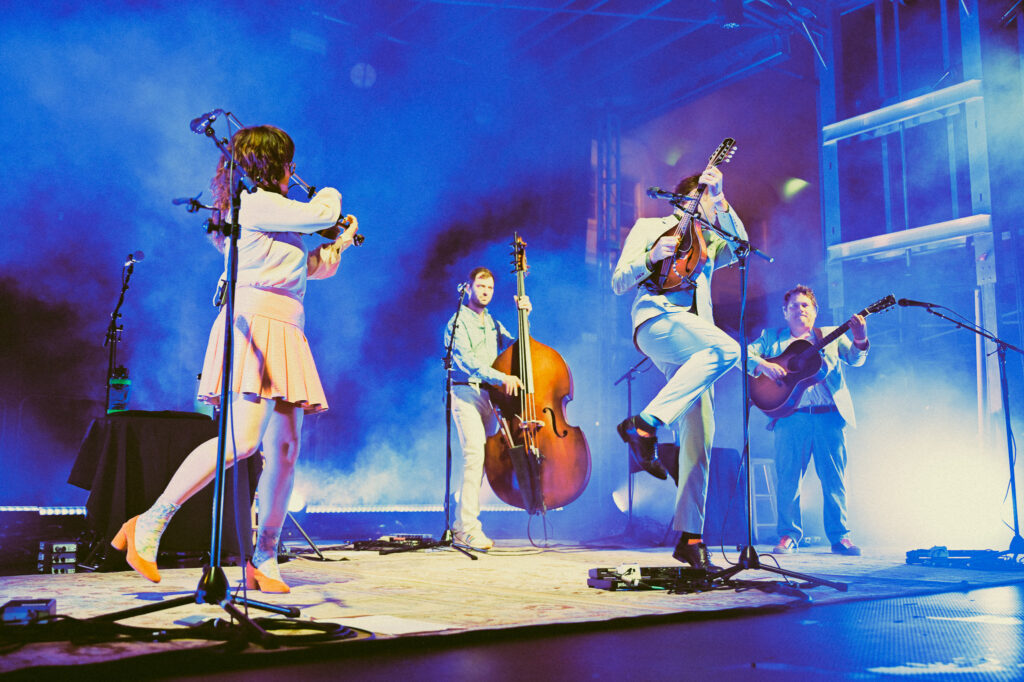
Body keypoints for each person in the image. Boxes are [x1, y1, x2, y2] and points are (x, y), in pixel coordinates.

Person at [110, 125, 359, 592]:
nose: (293, 171)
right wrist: (331, 196)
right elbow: (322, 211)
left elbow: (298, 270)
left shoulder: (276, 214)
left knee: (285, 451)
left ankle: (264, 557)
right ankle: (149, 522)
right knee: (242, 440)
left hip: (287, 327)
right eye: (289, 163)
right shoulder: (256, 204)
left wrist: (340, 244)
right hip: (254, 325)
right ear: (275, 164)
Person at [611, 166, 746, 572]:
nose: (712, 210)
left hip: (694, 342)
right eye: (706, 200)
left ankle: (690, 537)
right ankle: (645, 423)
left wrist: (721, 198)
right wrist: (650, 257)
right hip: (656, 321)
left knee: (700, 435)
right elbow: (618, 281)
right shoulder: (650, 226)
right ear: (689, 199)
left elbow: (741, 247)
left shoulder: (710, 241)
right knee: (728, 349)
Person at [746, 284, 868, 557]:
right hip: (791, 418)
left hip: (829, 417)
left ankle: (840, 537)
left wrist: (860, 338)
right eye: (793, 306)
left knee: (835, 480)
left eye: (805, 305)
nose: (799, 309)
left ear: (815, 310)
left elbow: (856, 359)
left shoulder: (831, 336)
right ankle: (788, 536)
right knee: (788, 479)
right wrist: (763, 365)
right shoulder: (771, 338)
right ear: (784, 312)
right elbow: (743, 354)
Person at [445, 267, 530, 551]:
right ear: (468, 288)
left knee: (480, 461)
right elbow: (467, 361)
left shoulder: (494, 323)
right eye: (480, 286)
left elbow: (518, 348)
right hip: (466, 392)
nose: (485, 292)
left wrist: (524, 317)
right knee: (474, 455)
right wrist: (501, 377)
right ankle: (467, 529)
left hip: (490, 396)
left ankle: (461, 523)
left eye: (490, 288)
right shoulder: (457, 322)